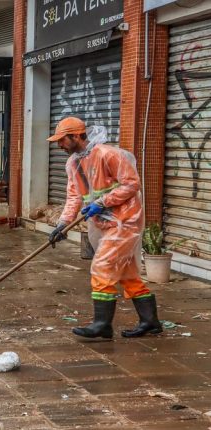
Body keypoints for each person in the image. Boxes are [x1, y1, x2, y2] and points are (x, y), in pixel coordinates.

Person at [48, 117, 162, 339]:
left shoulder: (108, 154)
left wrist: (101, 203)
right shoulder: (73, 163)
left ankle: (102, 325)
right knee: (127, 274)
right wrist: (62, 224)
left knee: (102, 267)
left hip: (125, 221)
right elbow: (74, 196)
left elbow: (132, 184)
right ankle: (150, 321)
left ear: (77, 136)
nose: (59, 145)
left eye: (62, 140)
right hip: (104, 223)